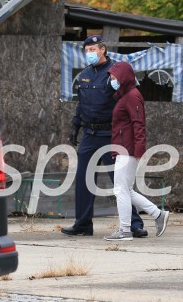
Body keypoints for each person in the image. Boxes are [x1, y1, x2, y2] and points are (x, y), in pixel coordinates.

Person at [61, 35, 146, 237]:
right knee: (83, 179)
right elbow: (81, 105)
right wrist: (75, 127)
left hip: (111, 133)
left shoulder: (115, 74)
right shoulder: (83, 76)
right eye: (87, 50)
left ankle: (134, 224)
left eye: (93, 49)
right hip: (90, 133)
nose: (89, 53)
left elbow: (128, 97)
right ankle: (83, 224)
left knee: (121, 183)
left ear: (103, 49)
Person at [104, 61, 169, 241]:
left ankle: (125, 230)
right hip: (124, 148)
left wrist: (139, 150)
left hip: (128, 150)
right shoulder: (125, 95)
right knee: (126, 190)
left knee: (120, 190)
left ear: (123, 77)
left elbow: (138, 124)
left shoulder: (132, 96)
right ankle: (158, 215)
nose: (111, 80)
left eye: (114, 77)